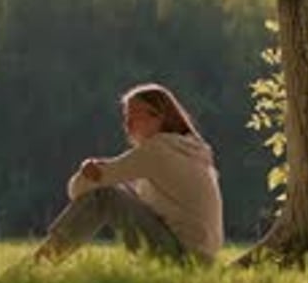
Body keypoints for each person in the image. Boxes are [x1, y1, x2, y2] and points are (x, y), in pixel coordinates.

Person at [34, 82, 224, 265]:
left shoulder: (157, 149)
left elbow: (79, 190)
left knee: (105, 195)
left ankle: (40, 265)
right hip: (199, 261)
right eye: (126, 116)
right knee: (117, 191)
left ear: (158, 117)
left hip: (182, 259)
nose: (127, 123)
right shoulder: (190, 149)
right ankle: (42, 263)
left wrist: (87, 169)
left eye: (134, 116)